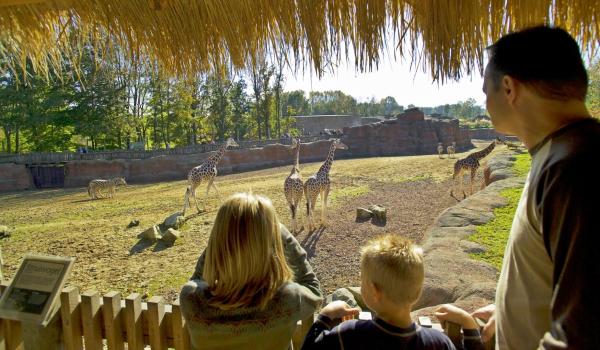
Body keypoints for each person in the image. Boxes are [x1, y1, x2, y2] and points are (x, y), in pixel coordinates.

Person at [466, 25, 600, 349]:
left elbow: (579, 336)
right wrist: (508, 312)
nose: (486, 104)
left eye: (487, 92)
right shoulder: (558, 152)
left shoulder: (573, 170)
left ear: (509, 88)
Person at [180, 192, 323, 350]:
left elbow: (198, 278)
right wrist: (281, 231)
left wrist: (223, 237)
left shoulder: (192, 301)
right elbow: (312, 288)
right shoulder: (286, 300)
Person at [301, 235, 484, 350]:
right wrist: (469, 325)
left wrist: (324, 317)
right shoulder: (437, 343)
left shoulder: (347, 335)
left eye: (362, 281)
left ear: (374, 291)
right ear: (419, 291)